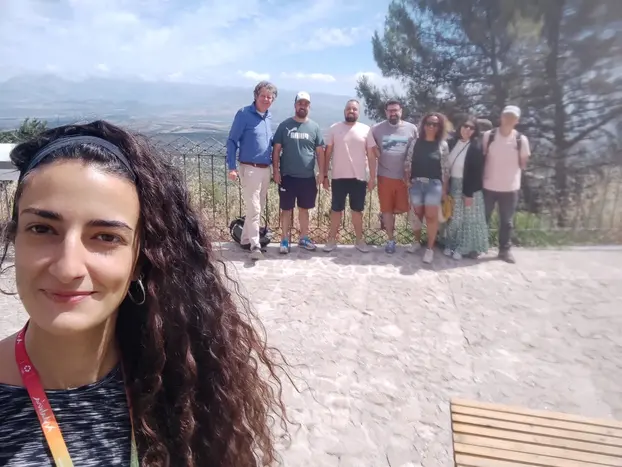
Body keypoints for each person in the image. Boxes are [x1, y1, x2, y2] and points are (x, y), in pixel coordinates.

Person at [0, 121, 288, 466]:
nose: (67, 267)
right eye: (42, 229)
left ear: (139, 259)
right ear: (14, 237)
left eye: (106, 237)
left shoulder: (180, 389)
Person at [226, 81, 277, 261]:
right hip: (249, 168)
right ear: (256, 96)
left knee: (257, 207)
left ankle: (246, 240)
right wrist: (231, 167)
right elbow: (232, 141)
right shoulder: (244, 114)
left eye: (270, 97)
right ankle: (255, 246)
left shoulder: (268, 117)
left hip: (265, 169)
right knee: (254, 207)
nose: (266, 99)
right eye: (263, 96)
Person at [272, 91, 325, 253]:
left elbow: (320, 152)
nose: (303, 106)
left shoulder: (314, 127)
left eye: (306, 104)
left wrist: (321, 173)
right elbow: (276, 150)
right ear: (295, 105)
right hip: (287, 177)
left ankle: (303, 238)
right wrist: (276, 171)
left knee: (304, 209)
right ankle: (284, 240)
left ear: (309, 106)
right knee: (286, 209)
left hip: (307, 178)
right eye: (300, 103)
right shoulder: (284, 126)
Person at [323, 99, 377, 253]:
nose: (351, 111)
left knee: (357, 211)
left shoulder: (366, 130)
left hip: (359, 178)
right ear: (344, 111)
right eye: (349, 108)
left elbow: (371, 155)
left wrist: (372, 177)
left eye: (354, 109)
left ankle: (359, 240)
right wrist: (325, 175)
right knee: (336, 210)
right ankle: (331, 240)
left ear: (358, 112)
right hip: (338, 177)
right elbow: (328, 153)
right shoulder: (334, 128)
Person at [482, 105, 531, 263]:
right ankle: (479, 246)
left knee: (506, 222)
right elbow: (483, 156)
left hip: (510, 188)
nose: (509, 119)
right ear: (501, 117)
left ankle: (504, 250)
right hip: (488, 185)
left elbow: (523, 163)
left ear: (517, 121)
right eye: (507, 116)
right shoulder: (489, 136)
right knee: (483, 218)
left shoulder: (521, 140)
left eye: (512, 117)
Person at [371, 99, 418, 253]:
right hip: (384, 177)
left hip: (405, 179)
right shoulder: (376, 129)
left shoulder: (412, 129)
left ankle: (417, 240)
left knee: (408, 209)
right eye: (390, 110)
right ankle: (391, 240)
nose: (393, 113)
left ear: (401, 111)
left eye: (396, 110)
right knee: (387, 209)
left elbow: (416, 151)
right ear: (386, 112)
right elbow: (370, 148)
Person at [404, 112, 449, 264]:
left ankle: (430, 248)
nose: (431, 126)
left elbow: (446, 169)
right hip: (416, 183)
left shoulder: (442, 145)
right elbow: (408, 162)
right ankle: (417, 242)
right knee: (417, 215)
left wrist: (444, 190)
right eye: (428, 123)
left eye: (435, 124)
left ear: (439, 127)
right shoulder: (415, 143)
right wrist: (407, 180)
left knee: (431, 216)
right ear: (423, 125)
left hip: (434, 185)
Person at [443, 116, 489, 260]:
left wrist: (469, 194)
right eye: (465, 126)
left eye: (471, 128)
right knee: (453, 218)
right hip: (453, 186)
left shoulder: (475, 148)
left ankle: (463, 248)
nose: (467, 129)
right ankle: (450, 244)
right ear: (460, 127)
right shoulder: (451, 143)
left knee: (467, 220)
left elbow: (476, 173)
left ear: (475, 131)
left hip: (469, 187)